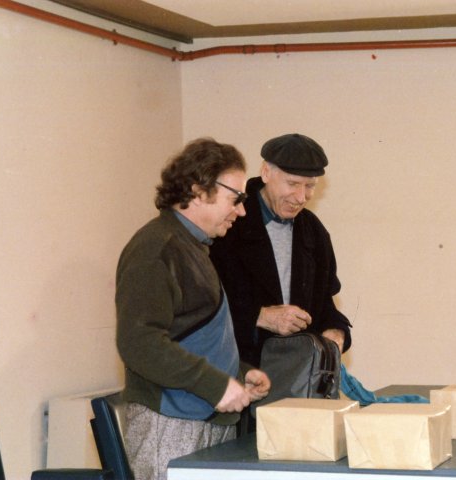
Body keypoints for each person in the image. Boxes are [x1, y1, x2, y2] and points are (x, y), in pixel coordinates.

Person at [115, 138, 271, 480]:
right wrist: (217, 386)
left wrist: (239, 372)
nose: (242, 211)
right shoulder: (158, 248)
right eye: (236, 199)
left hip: (200, 418)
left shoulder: (193, 247)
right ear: (198, 190)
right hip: (169, 425)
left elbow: (190, 334)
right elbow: (139, 342)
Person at [209, 133, 352, 368]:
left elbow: (324, 303)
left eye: (310, 186)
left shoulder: (314, 232)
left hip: (296, 373)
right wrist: (260, 316)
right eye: (293, 184)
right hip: (237, 371)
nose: (300, 197)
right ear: (266, 173)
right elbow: (201, 307)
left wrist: (336, 334)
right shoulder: (228, 224)